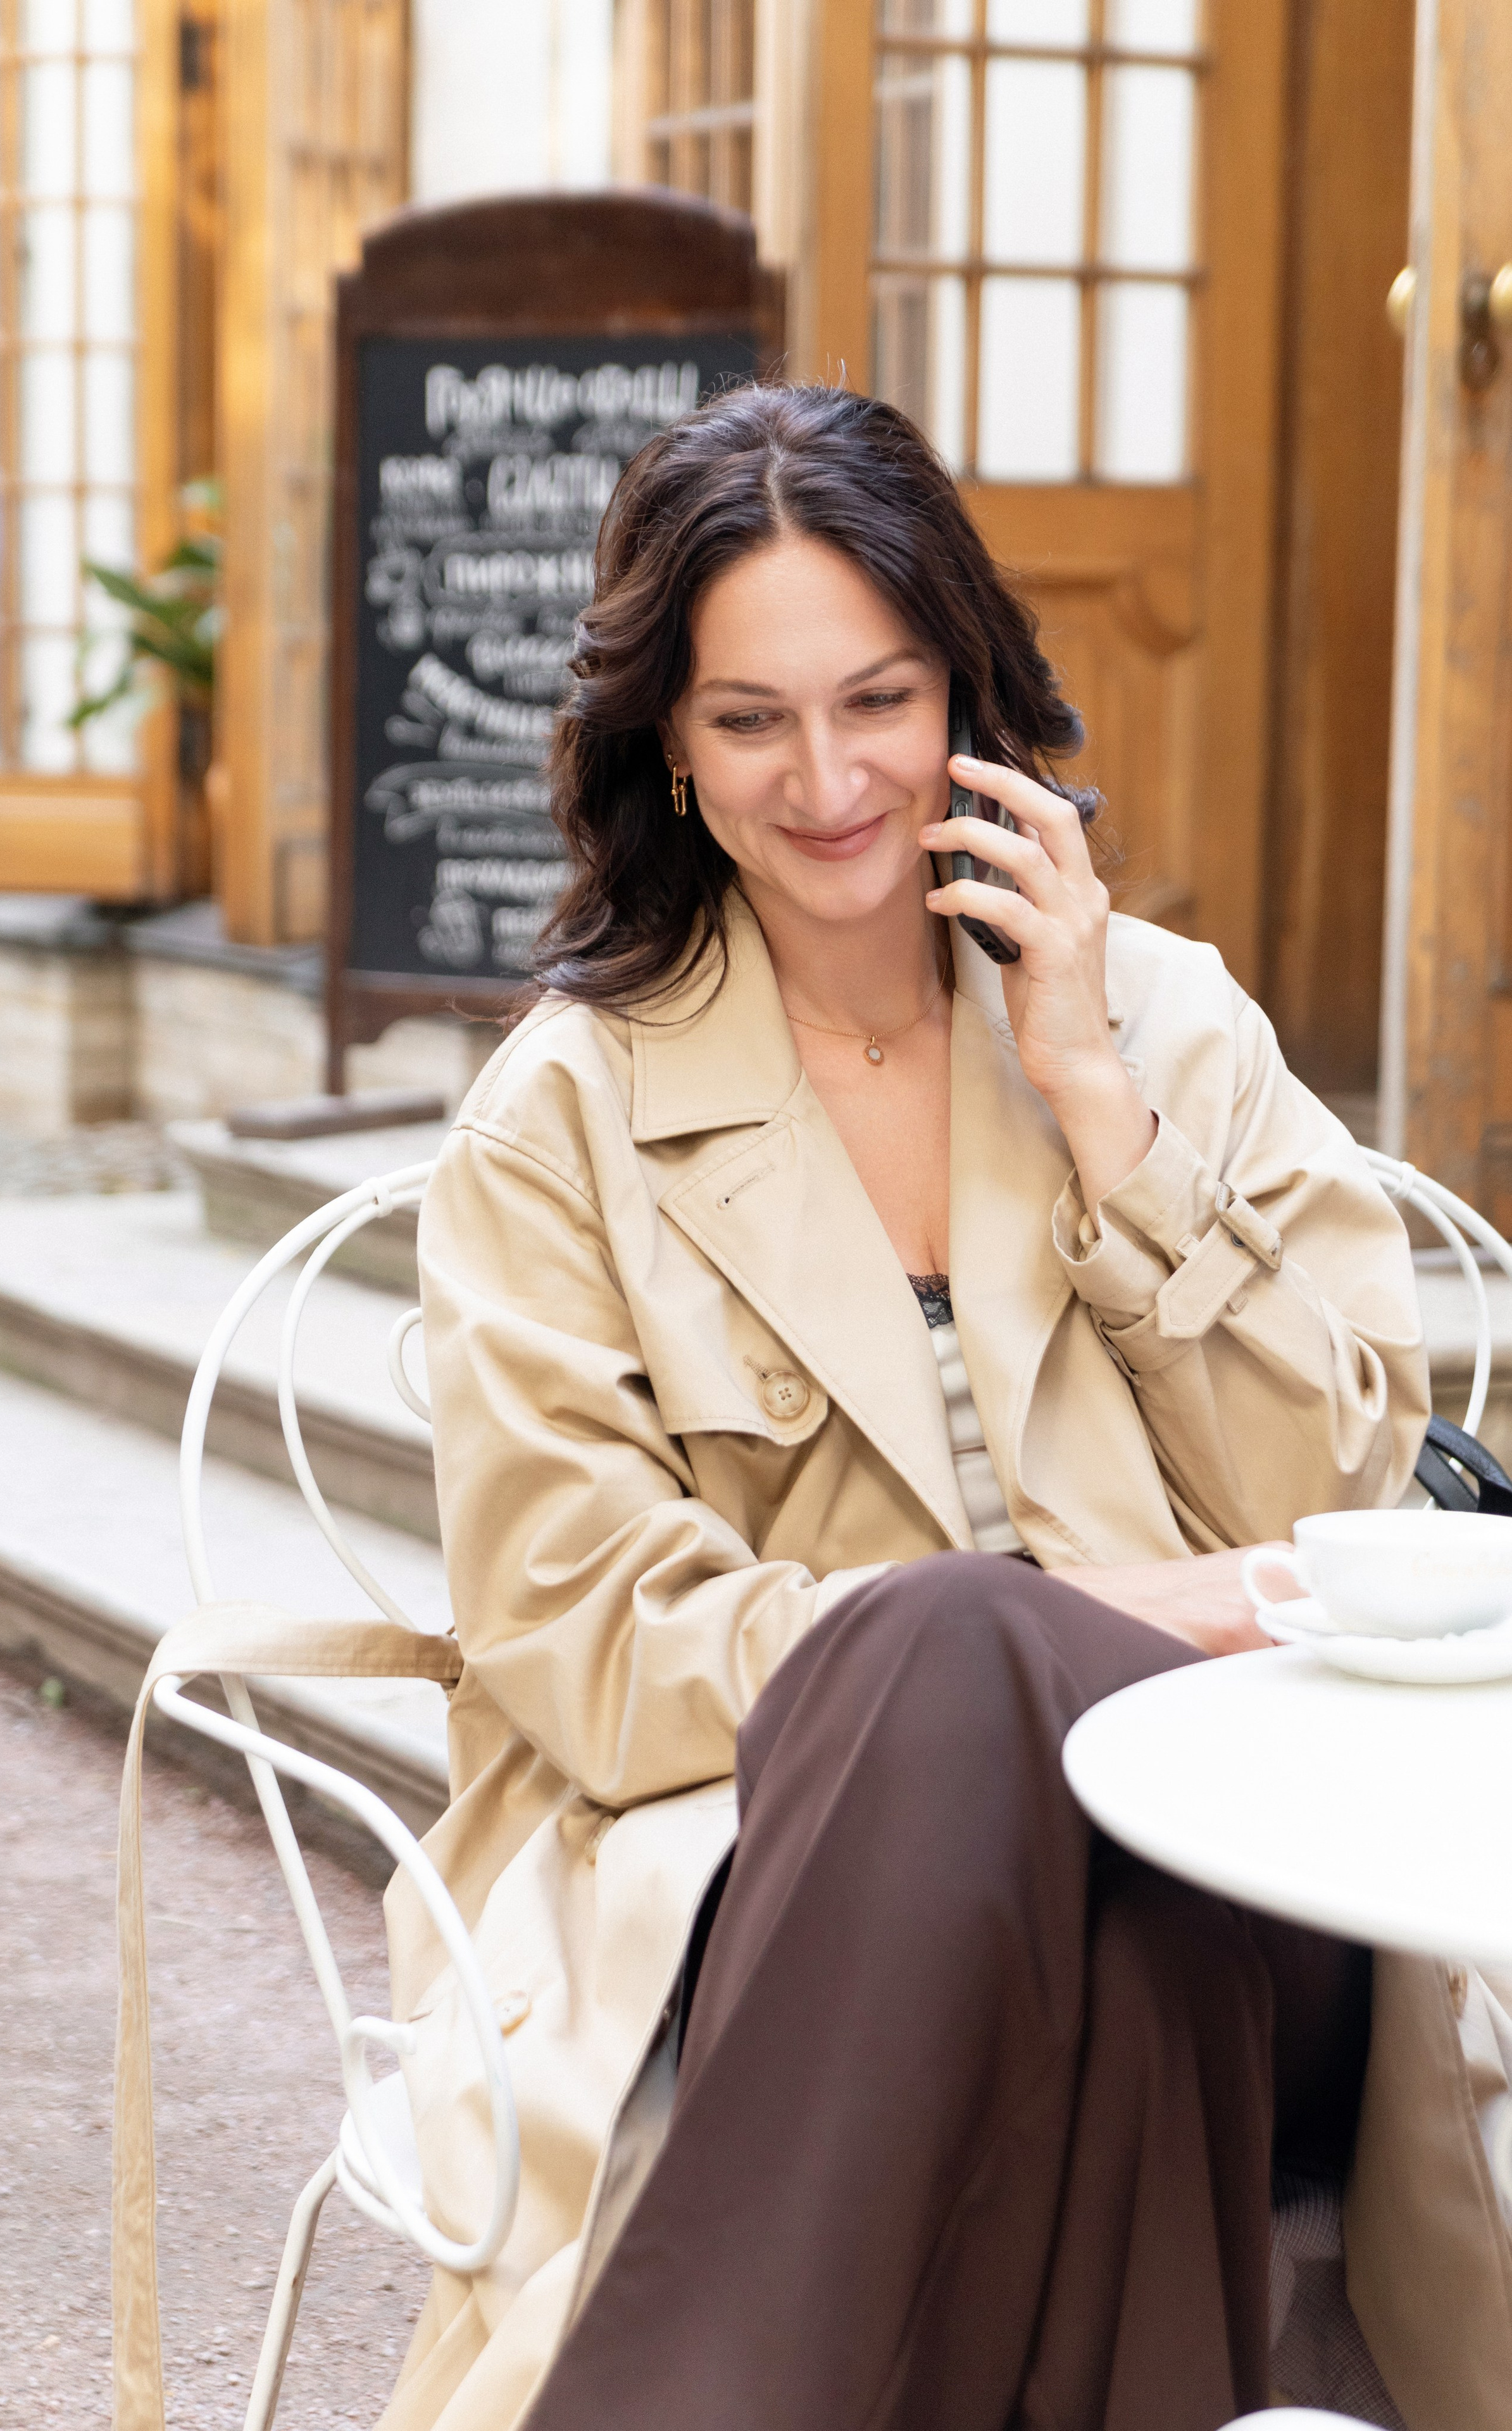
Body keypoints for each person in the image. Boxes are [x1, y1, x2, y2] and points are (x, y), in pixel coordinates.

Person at [378, 386, 1506, 2431]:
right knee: (985, 1703)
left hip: (1273, 1862)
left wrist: (1105, 1111)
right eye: (749, 721)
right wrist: (1118, 1624)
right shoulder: (564, 1115)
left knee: (1058, 1761)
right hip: (781, 1876)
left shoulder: (1168, 1024)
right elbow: (594, 1646)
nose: (828, 781)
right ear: (667, 750)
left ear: (966, 693)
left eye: (878, 699)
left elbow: (1344, 1506)